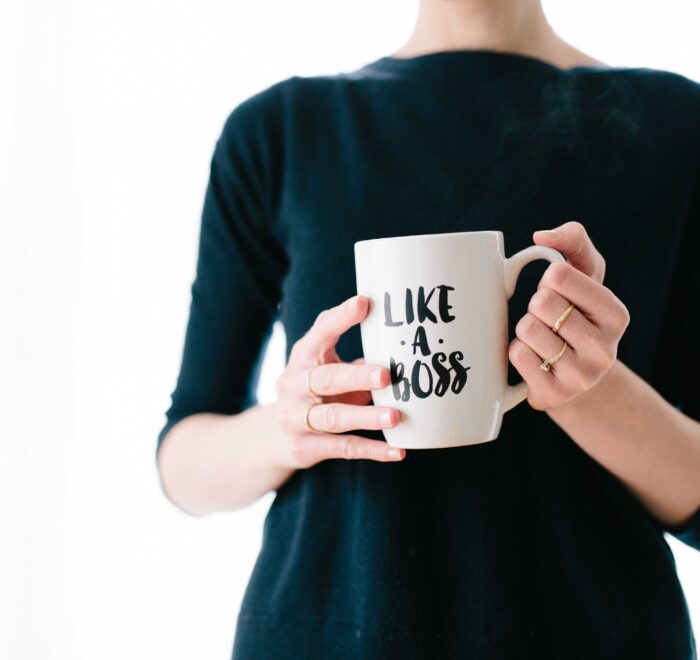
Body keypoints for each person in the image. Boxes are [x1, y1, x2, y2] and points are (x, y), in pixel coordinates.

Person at [156, 0, 700, 657]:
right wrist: (288, 426)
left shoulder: (677, 127)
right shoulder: (280, 132)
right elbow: (183, 460)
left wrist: (591, 392)